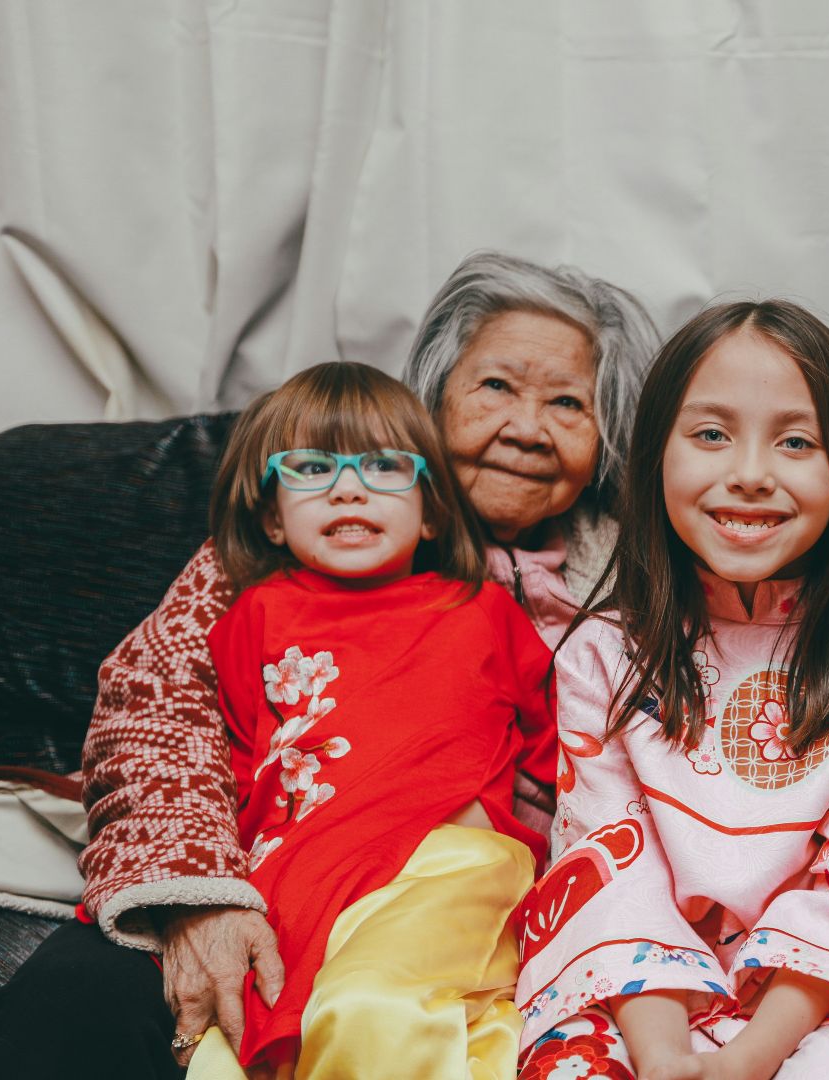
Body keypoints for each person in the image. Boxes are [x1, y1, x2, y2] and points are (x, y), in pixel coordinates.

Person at [0, 251, 656, 1078]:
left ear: (607, 441)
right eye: (496, 388)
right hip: (276, 873)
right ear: (435, 396)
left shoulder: (643, 583)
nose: (526, 426)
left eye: (568, 402)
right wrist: (200, 896)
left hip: (480, 902)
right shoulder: (307, 532)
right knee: (77, 1003)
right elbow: (157, 707)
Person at [515, 300, 829, 1080]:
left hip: (808, 1001)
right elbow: (614, 865)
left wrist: (749, 1058)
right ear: (656, 457)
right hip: (632, 999)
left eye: (796, 442)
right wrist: (664, 1057)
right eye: (711, 435)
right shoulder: (602, 656)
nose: (749, 475)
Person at [178, 362, 555, 1077]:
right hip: (295, 878)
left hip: (449, 867)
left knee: (366, 1010)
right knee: (224, 1057)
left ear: (433, 512)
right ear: (271, 518)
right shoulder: (251, 616)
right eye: (313, 467)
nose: (348, 487)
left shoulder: (482, 610)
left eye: (384, 465)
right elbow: (223, 766)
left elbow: (567, 756)